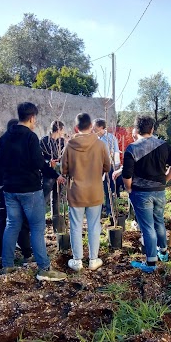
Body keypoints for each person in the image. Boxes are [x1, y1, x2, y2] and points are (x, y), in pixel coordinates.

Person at [0, 102, 67, 281]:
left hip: (10, 189)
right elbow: (38, 163)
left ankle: (7, 265)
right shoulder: (30, 137)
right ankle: (44, 268)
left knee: (12, 225)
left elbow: (0, 163)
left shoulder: (4, 138)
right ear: (32, 118)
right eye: (35, 119)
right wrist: (55, 174)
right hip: (29, 189)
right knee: (37, 228)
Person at [123, 115, 171, 273]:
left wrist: (128, 189)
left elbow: (127, 176)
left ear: (136, 129)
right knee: (159, 222)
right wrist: (166, 179)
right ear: (152, 129)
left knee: (147, 227)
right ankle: (163, 252)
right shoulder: (163, 145)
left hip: (141, 193)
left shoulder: (132, 148)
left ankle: (150, 262)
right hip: (159, 192)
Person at [61, 113, 110, 272]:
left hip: (75, 192)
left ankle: (77, 261)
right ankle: (93, 259)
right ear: (91, 127)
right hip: (95, 191)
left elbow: (64, 169)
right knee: (94, 225)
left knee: (75, 226)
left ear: (76, 127)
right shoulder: (101, 144)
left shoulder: (69, 146)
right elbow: (107, 167)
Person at [0, 119, 32, 265]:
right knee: (22, 223)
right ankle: (27, 255)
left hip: (4, 190)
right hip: (21, 190)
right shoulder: (24, 149)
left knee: (3, 222)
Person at [40, 120, 66, 236]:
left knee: (56, 199)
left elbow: (63, 157)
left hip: (58, 175)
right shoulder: (44, 142)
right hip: (48, 175)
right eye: (62, 130)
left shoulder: (61, 142)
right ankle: (39, 222)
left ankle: (56, 222)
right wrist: (49, 162)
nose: (63, 132)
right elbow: (41, 160)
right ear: (58, 129)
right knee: (43, 199)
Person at [93, 118, 121, 216]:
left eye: (94, 126)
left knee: (109, 190)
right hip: (96, 169)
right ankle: (98, 212)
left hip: (108, 168)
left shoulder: (111, 138)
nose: (93, 128)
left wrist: (116, 168)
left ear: (100, 127)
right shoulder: (94, 139)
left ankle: (110, 212)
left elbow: (116, 153)